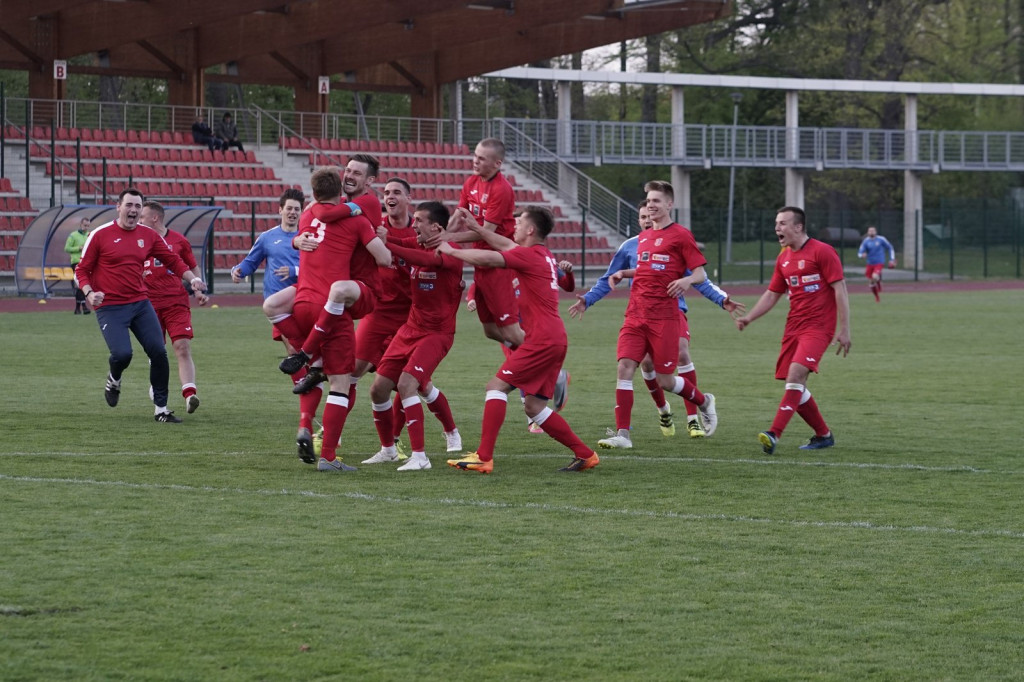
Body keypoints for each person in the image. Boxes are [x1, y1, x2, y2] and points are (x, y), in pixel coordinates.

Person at [439, 206, 600, 474]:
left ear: (530, 229)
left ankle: (484, 457)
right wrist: (478, 229)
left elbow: (491, 258)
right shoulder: (542, 254)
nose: (514, 224)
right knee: (534, 407)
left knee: (496, 387)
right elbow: (503, 244)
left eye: (520, 221)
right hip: (553, 338)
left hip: (542, 340)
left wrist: (451, 250)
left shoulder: (529, 256)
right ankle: (585, 454)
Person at [569, 200, 744, 441]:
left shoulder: (673, 241)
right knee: (643, 365)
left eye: (650, 213)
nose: (647, 219)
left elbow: (698, 277)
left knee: (682, 353)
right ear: (639, 221)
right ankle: (658, 413)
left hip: (672, 312)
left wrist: (722, 299)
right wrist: (587, 300)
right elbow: (608, 278)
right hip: (640, 314)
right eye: (642, 216)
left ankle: (693, 417)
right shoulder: (630, 246)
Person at [269, 162, 390, 472]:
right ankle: (329, 457)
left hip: (303, 304)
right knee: (341, 382)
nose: (350, 176)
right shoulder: (358, 215)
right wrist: (381, 237)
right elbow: (384, 258)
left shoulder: (310, 213)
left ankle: (307, 359)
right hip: (338, 305)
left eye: (356, 173)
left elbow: (320, 213)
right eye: (347, 172)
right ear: (340, 189)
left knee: (271, 305)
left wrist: (297, 239)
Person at [593, 181, 718, 450]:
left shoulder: (681, 235)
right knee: (625, 367)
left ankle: (704, 401)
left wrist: (686, 281)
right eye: (648, 201)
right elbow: (648, 270)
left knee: (665, 380)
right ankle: (623, 435)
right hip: (635, 315)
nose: (651, 205)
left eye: (656, 201)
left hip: (665, 317)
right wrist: (622, 273)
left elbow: (699, 274)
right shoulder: (643, 238)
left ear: (669, 204)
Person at [75, 188, 207, 423]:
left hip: (140, 303)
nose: (133, 210)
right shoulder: (99, 234)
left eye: (137, 206)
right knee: (122, 354)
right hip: (110, 306)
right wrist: (89, 292)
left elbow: (173, 260)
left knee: (158, 352)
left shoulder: (148, 235)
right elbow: (81, 270)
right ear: (118, 207)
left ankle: (161, 409)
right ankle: (114, 378)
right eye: (129, 205)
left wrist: (192, 279)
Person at [735, 206, 851, 454]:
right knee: (794, 383)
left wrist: (844, 329)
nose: (777, 228)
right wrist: (749, 318)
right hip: (793, 328)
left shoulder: (822, 251)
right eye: (776, 223)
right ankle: (823, 435)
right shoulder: (783, 259)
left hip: (818, 327)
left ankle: (774, 433)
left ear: (798, 227)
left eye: (783, 223)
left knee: (796, 375)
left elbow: (840, 289)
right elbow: (772, 294)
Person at [364, 201, 464, 471]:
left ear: (436, 228)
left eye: (419, 220)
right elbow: (402, 242)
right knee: (378, 389)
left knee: (408, 384)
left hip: (437, 334)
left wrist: (387, 245)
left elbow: (425, 260)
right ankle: (388, 450)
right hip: (410, 328)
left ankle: (420, 457)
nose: (414, 224)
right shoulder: (418, 242)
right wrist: (383, 238)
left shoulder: (451, 251)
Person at [429, 138, 524, 351]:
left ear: (497, 163)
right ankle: (529, 357)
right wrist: (442, 235)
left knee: (511, 332)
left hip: (499, 263)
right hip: (480, 263)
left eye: (481, 158)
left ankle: (550, 366)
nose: (475, 161)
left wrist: (448, 239)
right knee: (490, 330)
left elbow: (486, 233)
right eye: (475, 156)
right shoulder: (471, 182)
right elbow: (458, 217)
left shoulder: (501, 189)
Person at [140, 200, 210, 414]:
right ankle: (156, 386)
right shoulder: (138, 241)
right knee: (156, 352)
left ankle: (190, 394)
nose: (138, 220)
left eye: (142, 216)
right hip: (148, 305)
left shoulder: (179, 241)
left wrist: (198, 290)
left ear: (155, 218)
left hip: (176, 303)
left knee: (182, 346)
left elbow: (192, 267)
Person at [857, 225, 896, 302]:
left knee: (874, 276)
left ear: (876, 232)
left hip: (879, 262)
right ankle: (877, 295)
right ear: (868, 232)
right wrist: (862, 255)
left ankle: (878, 294)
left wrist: (892, 259)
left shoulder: (881, 239)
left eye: (873, 230)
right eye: (870, 231)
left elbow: (890, 247)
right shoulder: (866, 241)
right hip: (870, 263)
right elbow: (859, 253)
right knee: (871, 281)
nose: (871, 232)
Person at [65, 217, 92, 314]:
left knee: (83, 284)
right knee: (81, 283)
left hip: (86, 262)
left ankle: (78, 308)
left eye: (88, 226)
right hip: (76, 262)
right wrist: (78, 248)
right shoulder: (73, 235)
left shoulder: (89, 235)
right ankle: (84, 306)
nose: (86, 228)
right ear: (80, 224)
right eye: (85, 225)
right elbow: (67, 248)